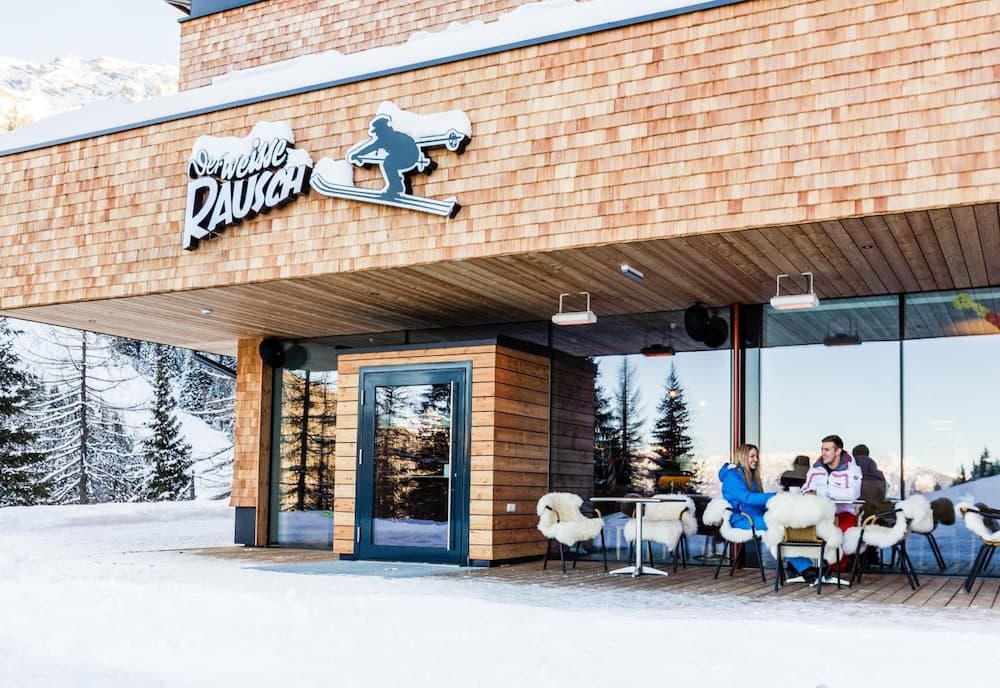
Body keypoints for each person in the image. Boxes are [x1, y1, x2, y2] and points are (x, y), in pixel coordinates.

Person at [718, 443, 776, 531]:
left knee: (782, 520)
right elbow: (747, 498)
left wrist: (775, 506)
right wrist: (774, 496)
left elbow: (758, 502)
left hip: (755, 515)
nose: (756, 459)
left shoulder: (751, 477)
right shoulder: (732, 476)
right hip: (741, 518)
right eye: (752, 456)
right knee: (774, 525)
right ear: (743, 457)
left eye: (757, 456)